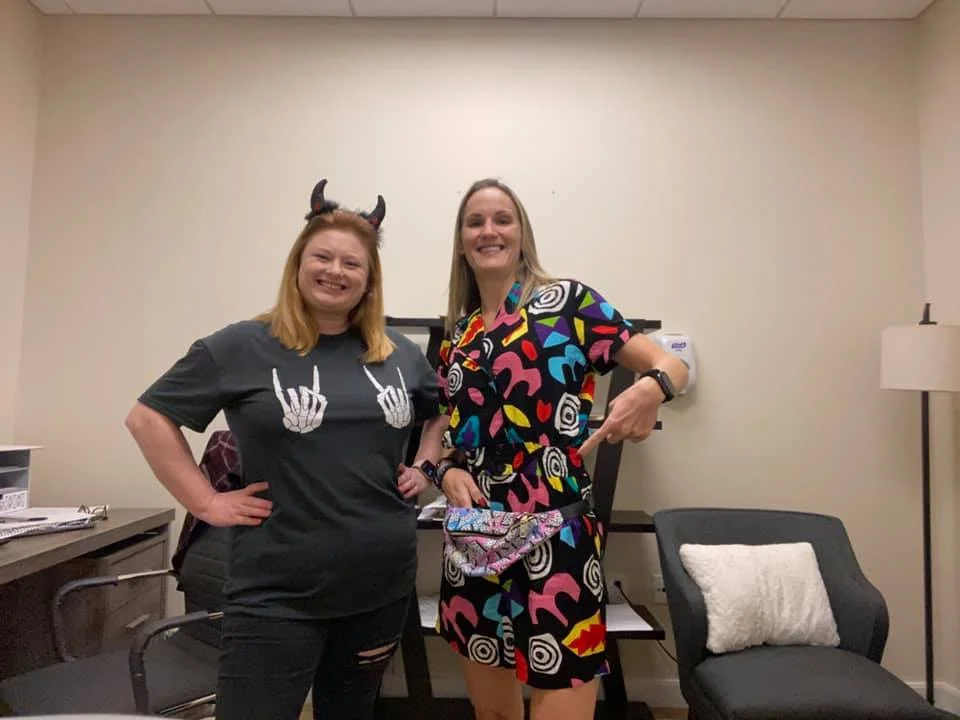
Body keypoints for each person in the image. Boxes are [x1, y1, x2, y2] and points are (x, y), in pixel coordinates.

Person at [124, 178, 446, 720]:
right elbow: (147, 417)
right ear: (298, 264)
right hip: (276, 593)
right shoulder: (243, 345)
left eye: (352, 263)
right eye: (322, 257)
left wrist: (426, 466)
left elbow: (439, 411)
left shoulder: (396, 354)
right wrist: (205, 502)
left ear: (369, 279)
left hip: (379, 585)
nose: (335, 271)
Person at [424, 178, 689, 720]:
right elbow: (452, 437)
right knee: (493, 713)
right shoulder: (459, 335)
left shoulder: (569, 303)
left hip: (557, 533)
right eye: (475, 222)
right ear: (461, 241)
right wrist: (446, 471)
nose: (489, 231)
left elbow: (673, 365)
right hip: (476, 538)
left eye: (502, 219)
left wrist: (651, 389)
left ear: (522, 233)